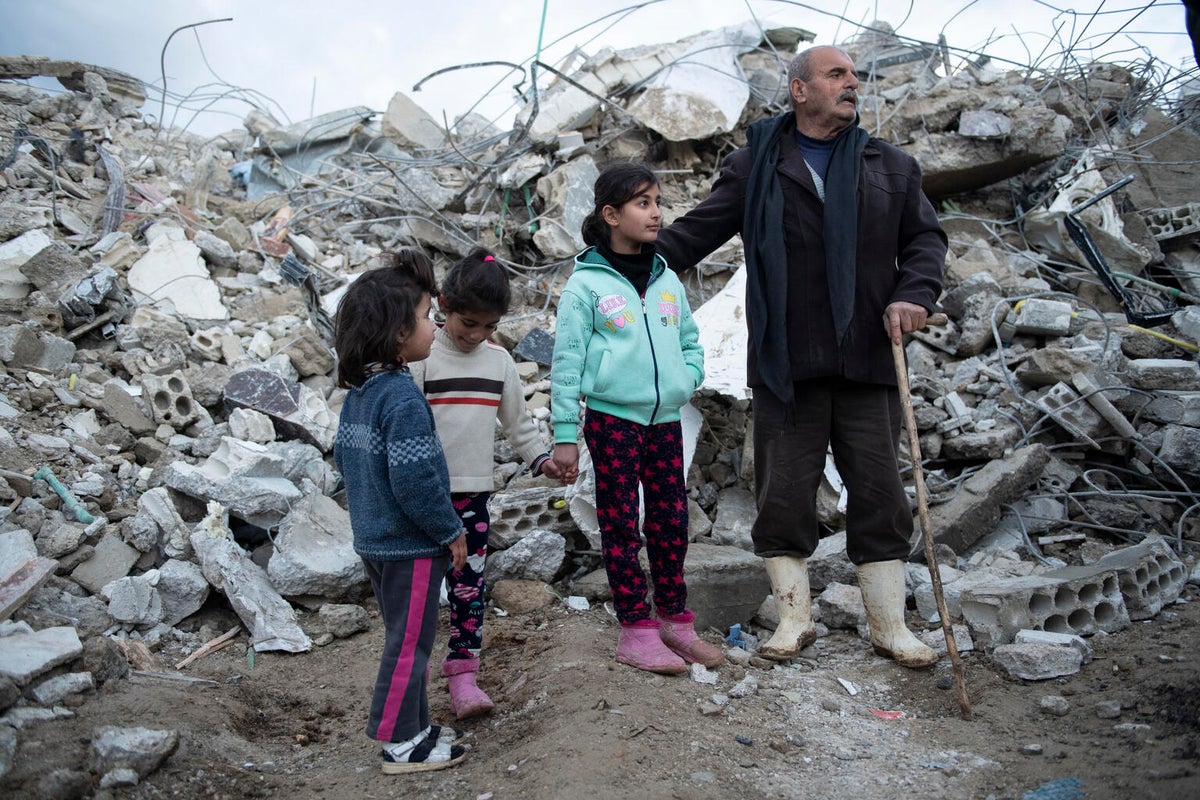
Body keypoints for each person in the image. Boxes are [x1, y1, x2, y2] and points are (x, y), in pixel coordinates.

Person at [655, 45, 946, 669]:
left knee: (878, 491)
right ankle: (794, 620)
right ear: (798, 90)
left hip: (869, 358)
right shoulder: (756, 162)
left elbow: (925, 240)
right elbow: (697, 232)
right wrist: (625, 262)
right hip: (788, 363)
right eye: (836, 75)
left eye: (854, 75)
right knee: (783, 493)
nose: (852, 84)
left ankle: (889, 625)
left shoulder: (890, 166)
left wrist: (913, 294)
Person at [550, 162, 723, 675]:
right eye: (642, 203)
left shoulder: (665, 276)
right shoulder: (585, 286)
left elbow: (689, 340)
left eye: (657, 201)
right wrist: (563, 436)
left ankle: (675, 621)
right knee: (621, 523)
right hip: (612, 420)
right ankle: (635, 629)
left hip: (665, 419)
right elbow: (566, 364)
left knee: (671, 519)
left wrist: (685, 377)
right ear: (611, 214)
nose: (656, 213)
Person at [409, 247, 569, 720]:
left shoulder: (497, 363)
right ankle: (409, 685)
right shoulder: (421, 359)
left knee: (468, 587)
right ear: (443, 306)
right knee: (417, 589)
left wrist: (542, 459)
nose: (475, 336)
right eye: (467, 325)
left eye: (488, 327)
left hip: (473, 498)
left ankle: (463, 678)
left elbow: (518, 425)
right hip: (422, 496)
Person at [332, 249, 470, 774]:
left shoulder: (362, 394)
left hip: (374, 539)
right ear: (396, 333)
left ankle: (415, 726)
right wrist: (449, 529)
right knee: (410, 644)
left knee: (406, 634)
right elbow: (414, 481)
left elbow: (349, 463)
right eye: (424, 317)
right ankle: (397, 741)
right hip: (409, 544)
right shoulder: (402, 399)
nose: (434, 326)